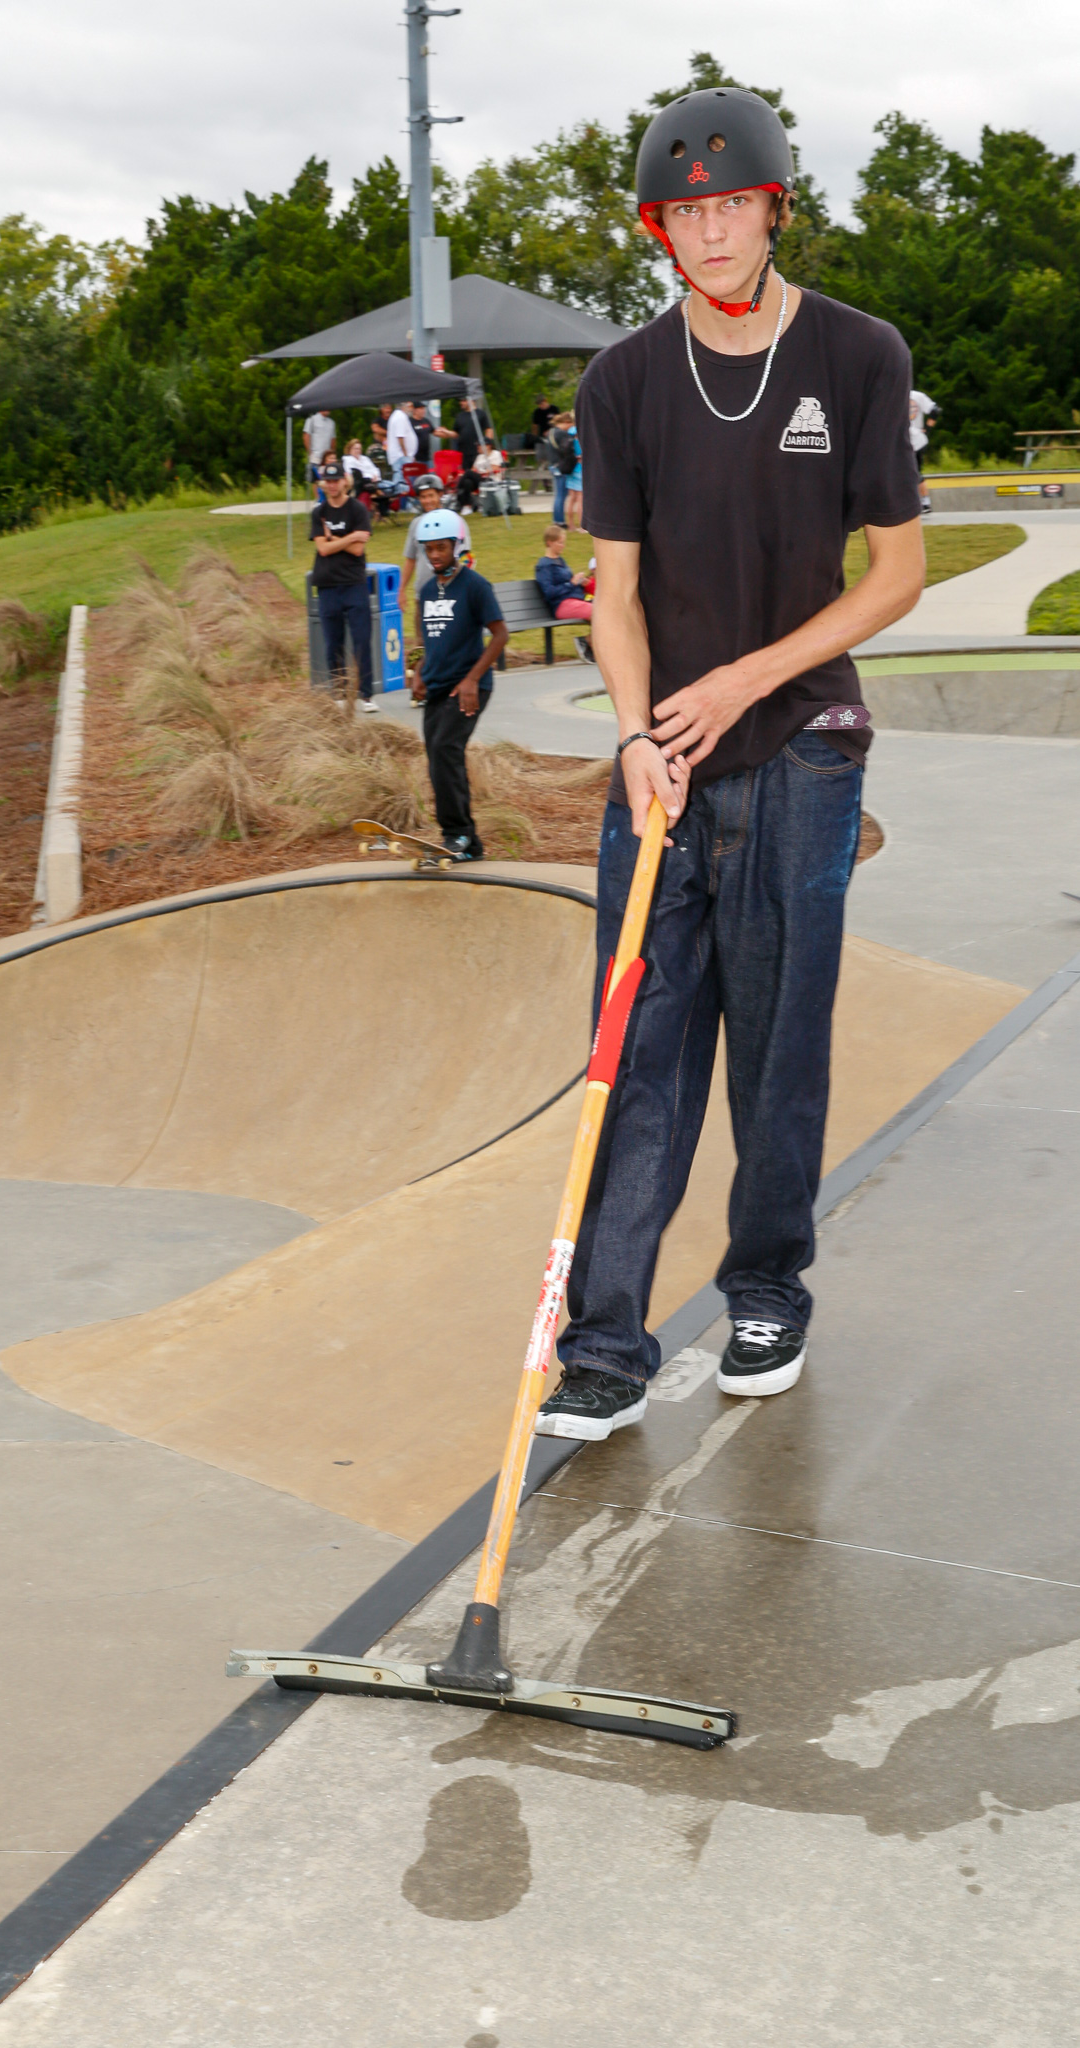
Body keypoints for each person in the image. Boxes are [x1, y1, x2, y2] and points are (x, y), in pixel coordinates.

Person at [532, 84, 924, 1441]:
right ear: (659, 227)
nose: (708, 230)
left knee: (772, 1045)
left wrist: (746, 677)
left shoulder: (856, 356)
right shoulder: (621, 379)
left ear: (771, 207)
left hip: (800, 746)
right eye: (683, 210)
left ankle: (763, 1286)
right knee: (635, 1049)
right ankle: (604, 1342)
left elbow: (896, 572)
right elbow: (615, 594)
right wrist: (637, 737)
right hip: (663, 767)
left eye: (730, 203)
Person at [410, 509, 509, 857]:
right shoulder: (425, 591)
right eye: (429, 549)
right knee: (437, 757)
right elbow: (431, 642)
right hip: (437, 686)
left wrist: (471, 680)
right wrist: (419, 671)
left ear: (456, 546)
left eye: (441, 548)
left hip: (468, 685)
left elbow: (500, 635)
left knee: (444, 750)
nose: (434, 555)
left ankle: (458, 834)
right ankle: (468, 842)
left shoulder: (476, 586)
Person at [310, 462, 377, 713]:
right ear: (323, 484)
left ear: (344, 481)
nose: (332, 485)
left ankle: (366, 695)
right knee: (333, 643)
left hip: (354, 583)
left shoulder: (358, 509)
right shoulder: (319, 512)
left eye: (336, 480)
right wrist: (349, 538)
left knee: (362, 640)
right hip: (327, 585)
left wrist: (334, 538)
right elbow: (322, 549)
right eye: (328, 481)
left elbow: (359, 549)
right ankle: (339, 693)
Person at [402, 475, 472, 601]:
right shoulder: (416, 524)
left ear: (440, 495)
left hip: (451, 592)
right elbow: (410, 560)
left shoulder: (455, 521)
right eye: (423, 497)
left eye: (430, 495)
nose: (427, 501)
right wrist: (401, 589)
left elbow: (465, 558)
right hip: (423, 593)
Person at [534, 523, 595, 663]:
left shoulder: (560, 560)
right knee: (597, 611)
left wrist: (581, 582)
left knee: (606, 608)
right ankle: (587, 641)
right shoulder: (544, 566)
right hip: (561, 605)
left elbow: (569, 583)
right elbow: (549, 592)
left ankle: (592, 644)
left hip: (574, 599)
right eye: (560, 543)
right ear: (550, 542)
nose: (563, 545)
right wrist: (571, 583)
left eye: (563, 542)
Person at [909, 390, 939, 513]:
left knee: (911, 471)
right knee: (915, 471)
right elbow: (935, 411)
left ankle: (922, 502)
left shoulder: (891, 394)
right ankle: (924, 502)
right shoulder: (917, 396)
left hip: (910, 440)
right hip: (917, 439)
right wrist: (927, 430)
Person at [549, 414, 578, 525]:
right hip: (561, 466)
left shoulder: (551, 432)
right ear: (566, 422)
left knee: (558, 495)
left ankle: (557, 519)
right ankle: (560, 521)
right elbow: (567, 450)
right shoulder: (562, 434)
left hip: (553, 465)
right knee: (562, 495)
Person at [386, 402, 418, 489]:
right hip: (401, 457)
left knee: (402, 484)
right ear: (404, 406)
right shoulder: (400, 417)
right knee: (403, 487)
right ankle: (402, 502)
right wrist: (406, 454)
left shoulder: (398, 416)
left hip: (401, 457)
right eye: (410, 406)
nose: (411, 409)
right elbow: (400, 437)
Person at [303, 410, 336, 495]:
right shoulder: (311, 420)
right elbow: (306, 436)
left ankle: (328, 499)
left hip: (327, 456)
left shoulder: (331, 423)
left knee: (329, 476)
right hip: (316, 455)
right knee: (316, 479)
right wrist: (310, 452)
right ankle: (318, 500)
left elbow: (333, 439)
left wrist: (332, 454)